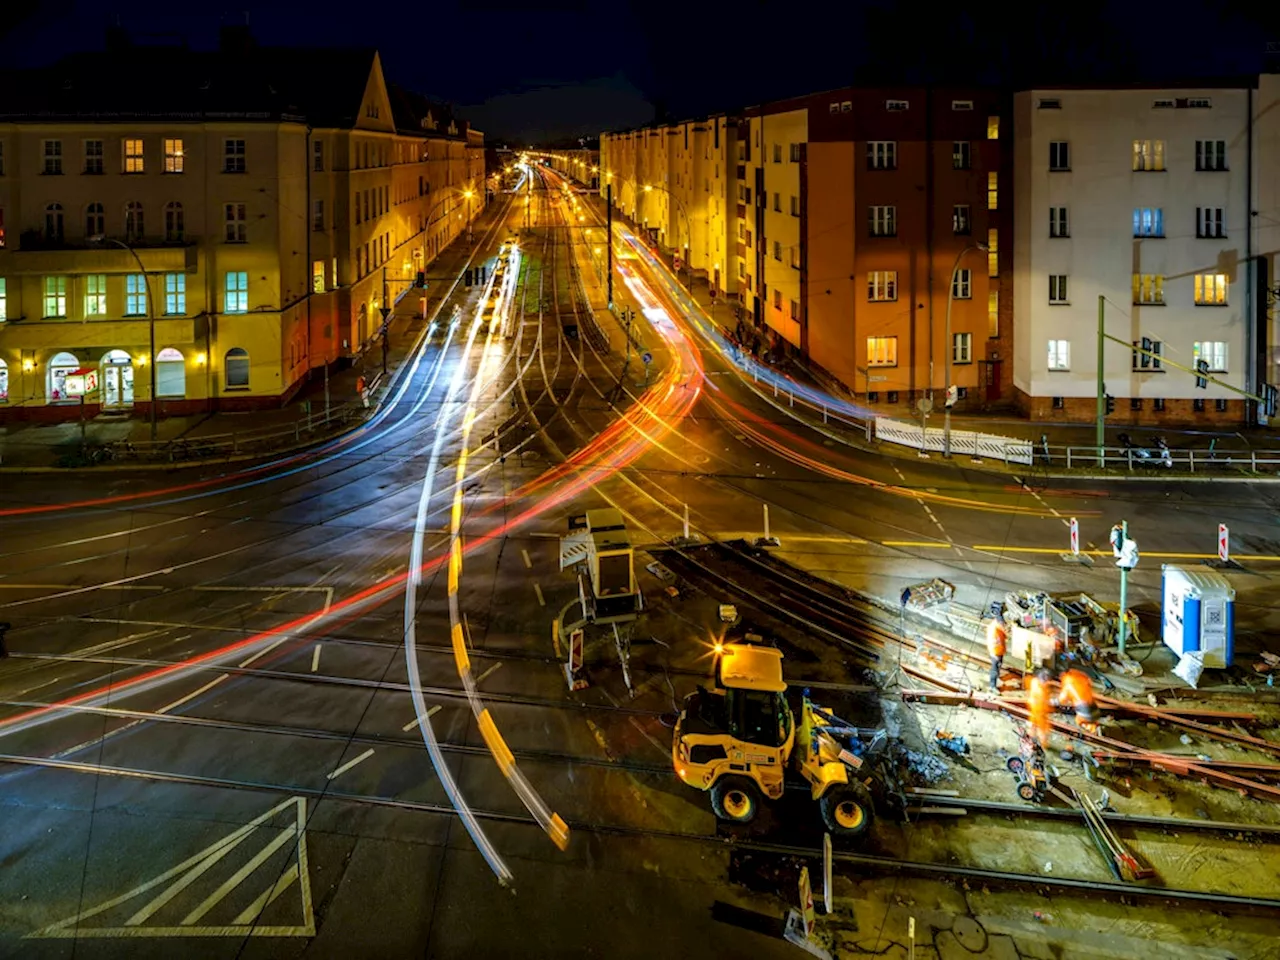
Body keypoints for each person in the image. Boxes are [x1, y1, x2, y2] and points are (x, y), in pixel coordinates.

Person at [1055, 668, 1099, 733]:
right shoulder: (1079, 676)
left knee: (1078, 721)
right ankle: (1093, 729)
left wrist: (1052, 702)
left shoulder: (1068, 683)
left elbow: (1062, 699)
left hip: (1084, 709)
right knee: (1091, 720)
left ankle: (1085, 733)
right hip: (1093, 706)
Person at [1026, 670, 1051, 747]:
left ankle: (1029, 739)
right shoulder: (1041, 691)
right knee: (1042, 729)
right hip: (1039, 710)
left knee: (1032, 724)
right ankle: (1043, 744)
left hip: (1033, 707)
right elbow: (1043, 703)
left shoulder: (1034, 681)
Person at [986, 616, 1009, 691]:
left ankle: (996, 678)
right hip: (995, 652)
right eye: (1003, 623)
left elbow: (1003, 635)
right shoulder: (994, 630)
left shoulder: (996, 626)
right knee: (994, 669)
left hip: (999, 650)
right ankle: (992, 686)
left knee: (999, 665)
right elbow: (992, 642)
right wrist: (994, 654)